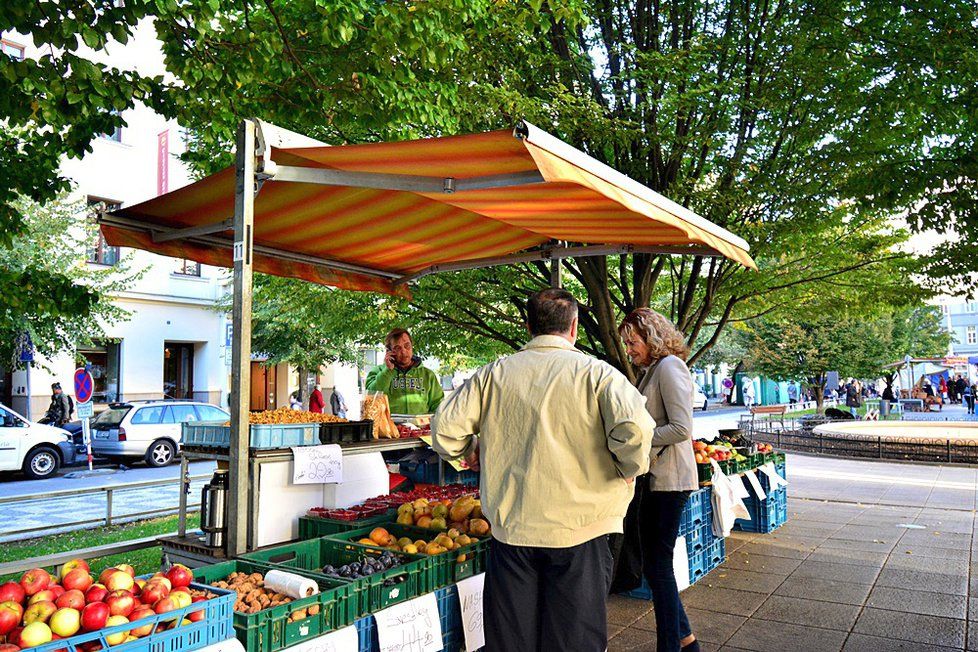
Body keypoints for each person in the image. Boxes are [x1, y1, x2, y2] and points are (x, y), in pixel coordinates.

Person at [431, 289, 653, 652]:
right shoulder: (599, 375)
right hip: (582, 530)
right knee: (574, 642)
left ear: (528, 325)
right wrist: (628, 467)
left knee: (511, 642)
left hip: (513, 530)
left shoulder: (494, 374)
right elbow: (638, 430)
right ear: (575, 326)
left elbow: (443, 429)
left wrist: (470, 451)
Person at [619, 308, 702, 652]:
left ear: (650, 337)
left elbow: (682, 428)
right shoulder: (653, 369)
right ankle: (686, 640)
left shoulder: (670, 367)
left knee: (658, 566)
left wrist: (641, 438)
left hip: (670, 481)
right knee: (655, 566)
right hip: (657, 480)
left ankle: (671, 645)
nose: (629, 349)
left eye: (632, 342)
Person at [365, 328, 444, 415]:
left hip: (420, 427)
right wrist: (388, 371)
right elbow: (371, 397)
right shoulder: (378, 372)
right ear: (389, 351)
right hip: (388, 427)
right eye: (397, 348)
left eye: (407, 346)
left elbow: (438, 405)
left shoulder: (427, 375)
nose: (403, 351)